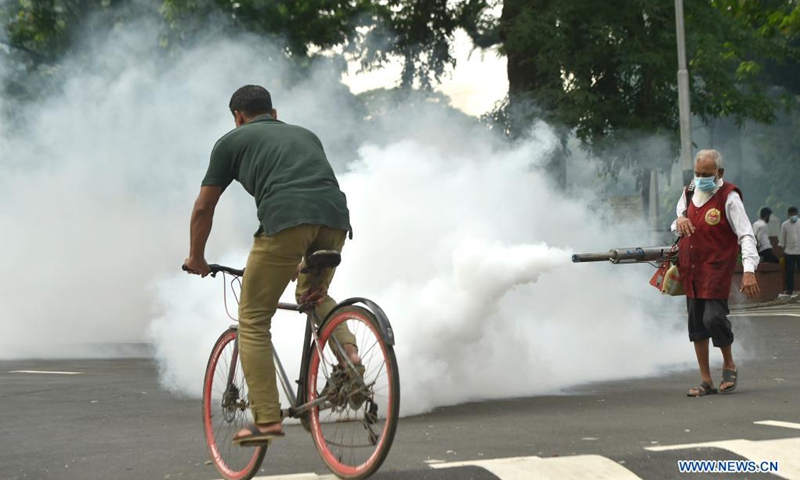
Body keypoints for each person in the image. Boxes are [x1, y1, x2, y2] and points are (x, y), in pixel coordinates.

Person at [183, 85, 360, 444]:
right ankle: (350, 356)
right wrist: (296, 254)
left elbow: (203, 207)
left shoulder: (230, 142)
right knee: (313, 295)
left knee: (252, 319)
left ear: (238, 117)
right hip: (335, 220)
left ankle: (265, 418)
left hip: (285, 222)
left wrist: (196, 257)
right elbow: (308, 187)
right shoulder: (306, 135)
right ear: (274, 113)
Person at [672, 149, 759, 397]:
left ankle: (729, 364)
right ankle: (706, 380)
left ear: (719, 173)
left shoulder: (729, 197)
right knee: (696, 325)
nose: (700, 179)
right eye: (697, 173)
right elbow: (677, 219)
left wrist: (749, 270)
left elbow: (746, 235)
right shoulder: (689, 192)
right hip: (691, 267)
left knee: (713, 318)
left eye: (706, 174)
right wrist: (679, 221)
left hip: (716, 269)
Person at [779, 206, 800, 295]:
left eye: (794, 214)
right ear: (788, 215)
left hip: (799, 251)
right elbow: (782, 239)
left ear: (797, 214)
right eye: (791, 214)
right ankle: (790, 289)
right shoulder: (785, 225)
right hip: (789, 252)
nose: (793, 216)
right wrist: (781, 252)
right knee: (789, 272)